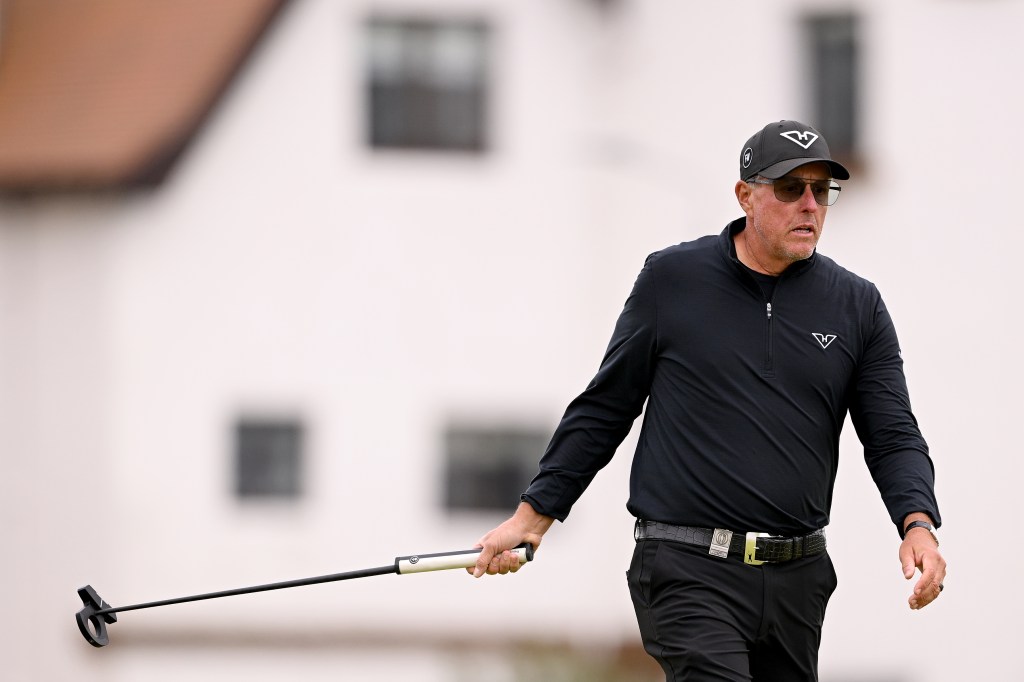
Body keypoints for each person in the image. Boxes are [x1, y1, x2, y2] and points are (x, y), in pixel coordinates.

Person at [467, 120, 946, 681]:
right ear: (746, 195)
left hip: (798, 579)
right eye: (792, 189)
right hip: (686, 565)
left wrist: (918, 523)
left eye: (823, 190)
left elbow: (892, 433)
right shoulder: (672, 280)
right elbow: (605, 407)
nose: (810, 205)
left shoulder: (857, 305)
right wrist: (533, 516)